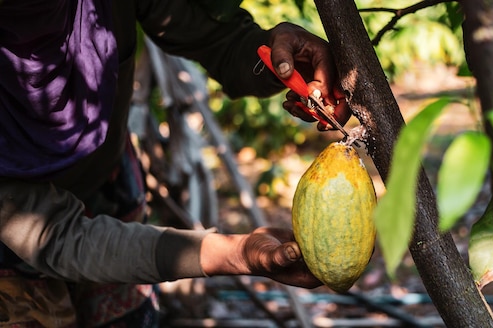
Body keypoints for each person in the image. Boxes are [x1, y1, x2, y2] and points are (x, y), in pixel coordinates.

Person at [0, 0, 351, 326]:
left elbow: (219, 40)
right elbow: (58, 237)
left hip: (107, 188)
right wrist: (237, 254)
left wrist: (277, 56)